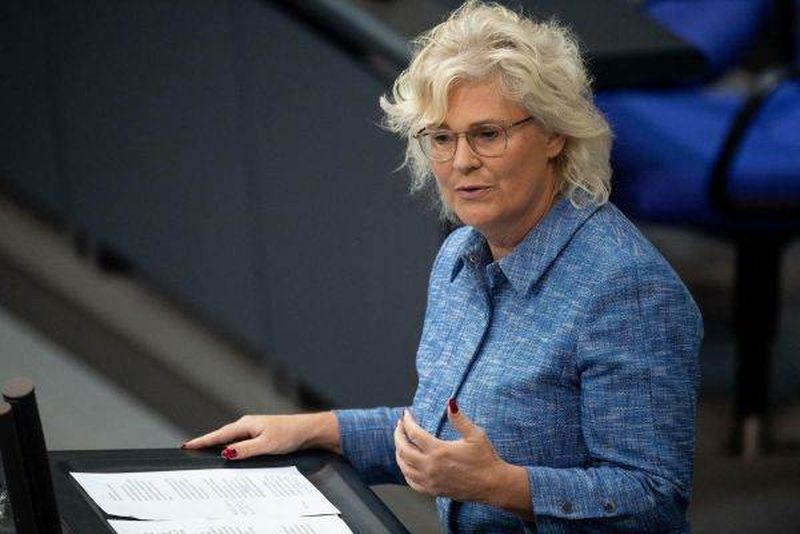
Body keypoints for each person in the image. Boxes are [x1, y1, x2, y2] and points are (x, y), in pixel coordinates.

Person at [183, 1, 703, 531]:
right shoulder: (460, 255)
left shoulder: (628, 290)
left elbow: (654, 500)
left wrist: (501, 486)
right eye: (441, 138)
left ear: (554, 135)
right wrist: (316, 431)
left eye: (487, 134)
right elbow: (441, 439)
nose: (462, 162)